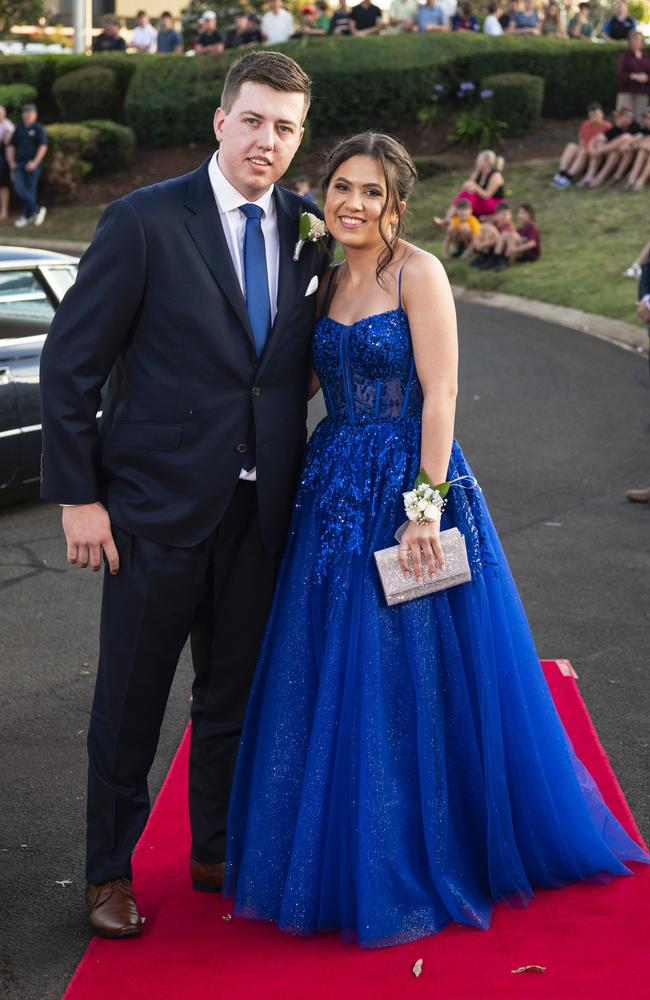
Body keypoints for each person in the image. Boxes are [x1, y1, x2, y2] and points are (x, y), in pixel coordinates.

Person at [223, 130, 650, 946]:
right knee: (336, 667)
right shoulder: (320, 276)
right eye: (341, 186)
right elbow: (300, 377)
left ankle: (431, 844)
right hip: (331, 485)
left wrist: (425, 505)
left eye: (371, 191)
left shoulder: (420, 271)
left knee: (416, 665)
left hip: (409, 477)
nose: (353, 202)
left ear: (398, 202)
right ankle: (348, 840)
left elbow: (443, 390)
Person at [39, 49, 329, 940]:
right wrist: (79, 496)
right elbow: (70, 364)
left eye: (284, 128)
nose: (266, 142)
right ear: (220, 120)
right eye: (253, 120)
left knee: (234, 697)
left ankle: (214, 849)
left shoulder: (309, 228)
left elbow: (285, 368)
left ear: (298, 137)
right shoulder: (142, 222)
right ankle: (105, 876)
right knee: (128, 701)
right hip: (151, 513)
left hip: (260, 513)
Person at [578, 105, 640, 188]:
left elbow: (623, 139)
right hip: (613, 153)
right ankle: (590, 175)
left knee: (614, 151)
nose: (616, 119)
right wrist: (591, 148)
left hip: (629, 156)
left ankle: (601, 177)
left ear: (627, 118)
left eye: (618, 117)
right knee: (600, 143)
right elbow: (597, 138)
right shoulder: (617, 128)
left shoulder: (635, 127)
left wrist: (600, 150)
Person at [552, 102, 611, 189]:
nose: (594, 118)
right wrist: (581, 147)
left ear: (602, 114)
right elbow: (582, 140)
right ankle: (561, 173)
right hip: (584, 150)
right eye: (591, 116)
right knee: (571, 146)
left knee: (583, 151)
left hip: (594, 156)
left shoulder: (607, 127)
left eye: (596, 115)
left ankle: (569, 177)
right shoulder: (585, 124)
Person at [7, 103, 47, 229]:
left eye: (30, 113)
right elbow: (11, 146)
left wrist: (35, 162)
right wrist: (11, 162)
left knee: (30, 190)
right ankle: (36, 210)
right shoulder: (19, 128)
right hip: (19, 163)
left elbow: (43, 146)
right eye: (26, 112)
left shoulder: (38, 128)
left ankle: (26, 216)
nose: (28, 115)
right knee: (19, 188)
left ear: (35, 114)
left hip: (32, 164)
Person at [437, 148, 505, 219]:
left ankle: (448, 218)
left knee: (467, 195)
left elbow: (487, 195)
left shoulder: (496, 176)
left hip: (494, 205)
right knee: (466, 194)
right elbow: (468, 189)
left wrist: (475, 187)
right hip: (481, 203)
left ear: (486, 162)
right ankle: (453, 216)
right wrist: (467, 186)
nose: (476, 161)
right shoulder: (477, 173)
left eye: (478, 160)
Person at [489, 202, 540, 271]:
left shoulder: (532, 227)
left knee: (511, 234)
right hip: (521, 252)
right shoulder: (521, 228)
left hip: (530, 254)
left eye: (523, 213)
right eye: (519, 213)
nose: (520, 215)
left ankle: (504, 261)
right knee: (505, 234)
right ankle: (497, 258)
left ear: (530, 214)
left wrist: (515, 249)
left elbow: (532, 243)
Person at [616, 31, 650, 125]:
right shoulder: (624, 56)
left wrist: (646, 77)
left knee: (641, 121)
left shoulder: (647, 57)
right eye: (633, 39)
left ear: (642, 42)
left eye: (638, 40)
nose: (635, 42)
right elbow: (619, 74)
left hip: (642, 92)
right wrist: (633, 76)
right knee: (625, 120)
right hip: (626, 92)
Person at [469, 200, 515, 266]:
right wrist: (477, 242)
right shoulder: (495, 223)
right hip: (491, 246)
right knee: (484, 228)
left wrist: (482, 245)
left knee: (489, 228)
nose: (506, 217)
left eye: (508, 214)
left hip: (502, 249)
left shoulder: (510, 226)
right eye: (503, 214)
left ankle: (489, 256)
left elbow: (500, 239)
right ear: (497, 215)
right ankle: (484, 255)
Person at [0, 105, 15, 222]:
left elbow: (9, 142)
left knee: (3, 186)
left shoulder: (7, 125)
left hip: (3, 157)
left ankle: (4, 211)